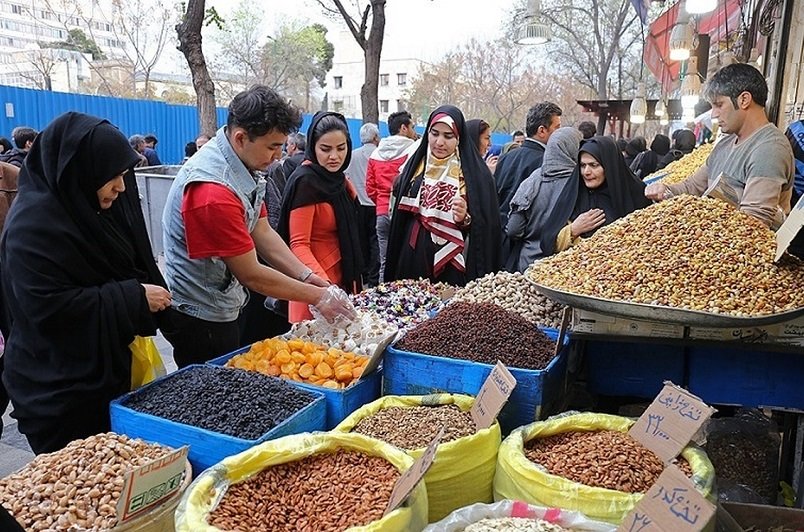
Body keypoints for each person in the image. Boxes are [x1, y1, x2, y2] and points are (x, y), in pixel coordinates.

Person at [0, 112, 171, 453]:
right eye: (112, 176)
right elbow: (47, 309)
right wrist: (133, 297)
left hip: (104, 378)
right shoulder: (32, 230)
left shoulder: (89, 212)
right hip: (59, 395)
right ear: (80, 171)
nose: (121, 187)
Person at [161, 86, 354, 367]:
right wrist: (319, 297)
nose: (278, 156)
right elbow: (251, 273)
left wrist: (307, 276)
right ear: (240, 138)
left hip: (228, 300)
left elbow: (261, 231)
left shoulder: (242, 161)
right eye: (272, 147)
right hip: (203, 316)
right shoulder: (213, 191)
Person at [646, 64, 794, 228]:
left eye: (719, 104)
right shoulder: (725, 143)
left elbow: (753, 225)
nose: (714, 114)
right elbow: (694, 186)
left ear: (744, 100)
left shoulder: (769, 149)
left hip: (738, 241)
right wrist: (666, 190)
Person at [385, 105, 502, 285]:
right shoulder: (414, 166)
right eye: (434, 134)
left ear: (459, 138)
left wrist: (465, 218)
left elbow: (486, 228)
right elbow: (399, 218)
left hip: (453, 260)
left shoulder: (478, 175)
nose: (439, 142)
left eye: (448, 136)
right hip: (413, 253)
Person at [279, 112, 364, 322]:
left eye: (341, 148)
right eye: (325, 149)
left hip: (343, 278)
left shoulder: (339, 180)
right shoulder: (306, 182)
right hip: (315, 287)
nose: (334, 156)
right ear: (313, 147)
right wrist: (324, 288)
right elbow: (298, 244)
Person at [541, 136, 651, 255]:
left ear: (609, 165)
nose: (586, 172)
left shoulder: (635, 194)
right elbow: (547, 242)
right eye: (583, 165)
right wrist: (573, 230)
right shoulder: (574, 195)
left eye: (594, 165)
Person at [494, 102, 562, 269]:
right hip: (525, 246)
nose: (560, 133)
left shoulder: (506, 157)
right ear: (542, 130)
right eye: (557, 128)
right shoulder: (546, 164)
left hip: (499, 241)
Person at [505, 127, 582, 271]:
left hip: (528, 264)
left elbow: (514, 229)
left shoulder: (533, 180)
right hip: (564, 267)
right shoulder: (580, 183)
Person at [366, 110, 418, 282]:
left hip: (382, 213)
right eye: (412, 127)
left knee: (385, 262)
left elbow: (370, 188)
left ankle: (384, 294)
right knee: (405, 262)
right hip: (405, 213)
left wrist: (382, 203)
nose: (414, 131)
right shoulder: (413, 150)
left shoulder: (375, 153)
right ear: (403, 128)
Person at [344, 123, 380, 286]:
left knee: (360, 240)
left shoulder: (352, 155)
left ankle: (363, 273)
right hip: (375, 203)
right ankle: (373, 276)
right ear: (375, 137)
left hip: (357, 203)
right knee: (375, 241)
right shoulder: (379, 154)